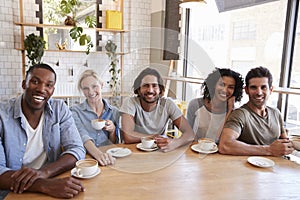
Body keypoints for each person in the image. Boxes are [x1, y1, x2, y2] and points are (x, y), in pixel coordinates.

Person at [0, 63, 86, 199]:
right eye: (35, 82)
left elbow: (76, 149)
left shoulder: (60, 109)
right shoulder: (2, 115)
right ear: (24, 84)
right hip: (12, 191)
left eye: (48, 85)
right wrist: (43, 184)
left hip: (52, 181)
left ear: (53, 90)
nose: (41, 89)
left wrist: (45, 172)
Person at [218, 66, 294, 156]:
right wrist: (269, 150)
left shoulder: (276, 113)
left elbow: (286, 143)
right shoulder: (240, 114)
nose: (259, 92)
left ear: (271, 90)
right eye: (253, 87)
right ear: (246, 90)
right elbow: (224, 145)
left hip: (276, 167)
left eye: (263, 87)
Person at [120, 67, 194, 152]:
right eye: (145, 85)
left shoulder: (168, 104)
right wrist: (153, 136)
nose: (150, 90)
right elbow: (128, 136)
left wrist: (175, 143)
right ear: (139, 89)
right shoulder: (130, 102)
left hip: (159, 151)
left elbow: (190, 134)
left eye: (154, 86)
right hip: (133, 151)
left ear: (160, 89)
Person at [71, 69, 120, 166]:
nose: (91, 92)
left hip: (109, 158)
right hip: (87, 159)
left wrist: (113, 130)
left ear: (101, 85)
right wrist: (99, 155)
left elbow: (115, 144)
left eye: (94, 86)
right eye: (85, 88)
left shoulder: (114, 111)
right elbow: (82, 136)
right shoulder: (74, 111)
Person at [186, 68, 244, 142]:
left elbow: (219, 139)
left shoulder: (234, 113)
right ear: (213, 85)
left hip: (219, 152)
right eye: (221, 85)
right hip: (194, 150)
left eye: (231, 87)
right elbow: (187, 135)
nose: (225, 90)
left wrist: (230, 111)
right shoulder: (195, 105)